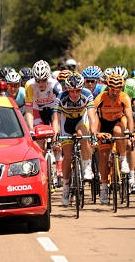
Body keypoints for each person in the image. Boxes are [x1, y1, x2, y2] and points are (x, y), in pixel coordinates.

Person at [52, 72, 98, 206]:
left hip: (80, 121)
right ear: (67, 89)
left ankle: (87, 167)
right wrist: (56, 138)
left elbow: (92, 117)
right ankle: (65, 189)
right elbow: (55, 120)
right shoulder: (61, 98)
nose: (75, 94)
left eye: (77, 90)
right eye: (72, 91)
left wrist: (93, 135)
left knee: (83, 135)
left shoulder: (87, 94)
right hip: (66, 123)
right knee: (67, 156)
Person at [95, 74, 134, 203]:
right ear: (108, 88)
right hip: (104, 124)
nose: (115, 92)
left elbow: (129, 118)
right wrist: (95, 133)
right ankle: (104, 187)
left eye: (118, 89)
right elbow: (94, 118)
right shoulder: (100, 98)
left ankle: (123, 159)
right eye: (112, 89)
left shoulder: (124, 98)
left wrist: (131, 134)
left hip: (119, 121)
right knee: (104, 154)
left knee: (118, 131)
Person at [25, 60, 62, 150]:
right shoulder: (29, 85)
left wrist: (57, 126)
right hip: (37, 111)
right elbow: (29, 110)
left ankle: (59, 161)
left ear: (48, 77)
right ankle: (42, 162)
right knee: (39, 140)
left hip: (53, 110)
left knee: (56, 137)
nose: (40, 84)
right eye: (38, 80)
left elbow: (61, 107)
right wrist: (30, 128)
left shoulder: (55, 85)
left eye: (43, 80)